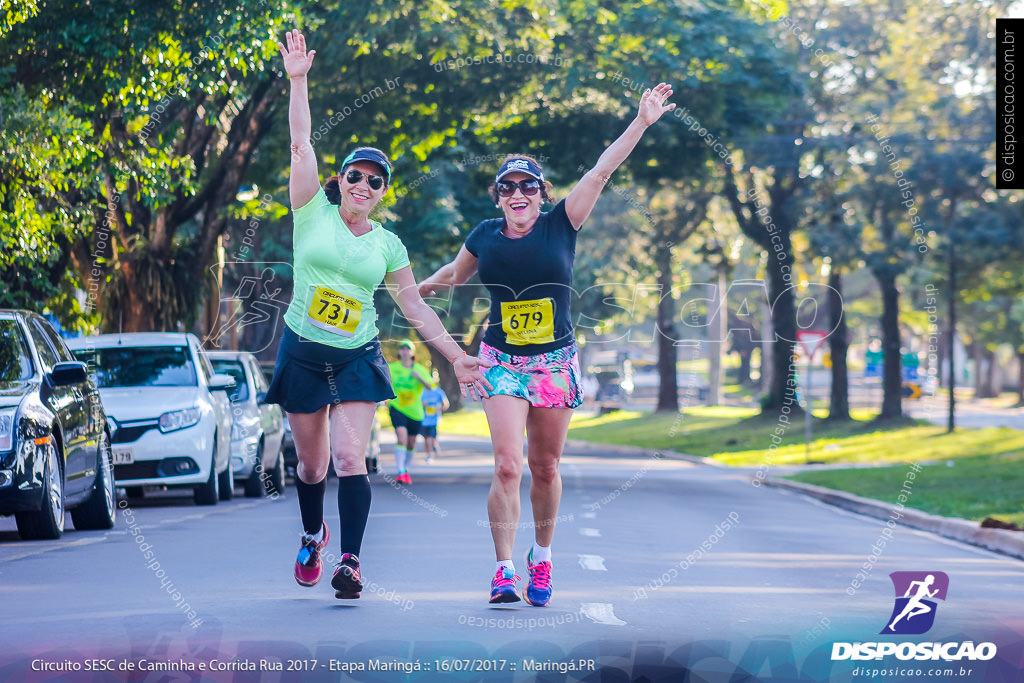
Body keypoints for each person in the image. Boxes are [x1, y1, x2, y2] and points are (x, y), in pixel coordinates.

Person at [419, 83, 675, 606]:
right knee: (508, 465)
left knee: (545, 468)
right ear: (498, 196)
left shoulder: (563, 223)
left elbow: (601, 169)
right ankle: (503, 571)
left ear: (542, 193)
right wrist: (419, 287)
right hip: (501, 360)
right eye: (508, 187)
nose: (518, 195)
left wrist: (642, 122)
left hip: (554, 360)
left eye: (528, 187)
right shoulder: (485, 235)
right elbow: (455, 273)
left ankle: (542, 557)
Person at [266, 29, 492, 601]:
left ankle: (351, 561)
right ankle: (314, 534)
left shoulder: (389, 245)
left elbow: (414, 304)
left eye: (375, 180)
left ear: (382, 191)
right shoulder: (310, 208)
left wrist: (458, 356)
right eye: (355, 175)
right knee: (312, 467)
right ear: (340, 180)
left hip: (356, 355)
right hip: (302, 349)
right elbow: (300, 144)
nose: (363, 184)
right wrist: (298, 82)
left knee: (350, 458)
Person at [387, 341, 431, 484]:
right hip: (397, 407)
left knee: (411, 443)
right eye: (402, 349)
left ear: (412, 353)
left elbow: (431, 386)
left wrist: (419, 377)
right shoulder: (393, 368)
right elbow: (383, 381)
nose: (405, 351)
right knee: (402, 438)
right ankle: (400, 471)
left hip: (415, 411)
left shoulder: (420, 369)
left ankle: (405, 469)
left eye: (408, 349)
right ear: (399, 352)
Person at [419, 372, 450, 461]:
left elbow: (446, 404)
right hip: (423, 420)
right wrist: (422, 405)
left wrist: (440, 407)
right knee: (425, 438)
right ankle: (428, 454)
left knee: (430, 438)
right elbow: (417, 404)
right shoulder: (422, 392)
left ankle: (432, 450)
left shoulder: (438, 391)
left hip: (434, 420)